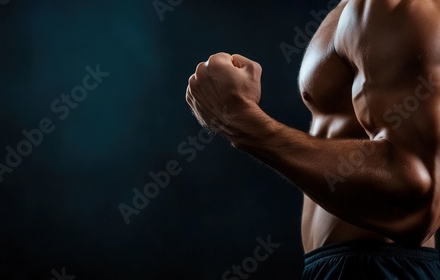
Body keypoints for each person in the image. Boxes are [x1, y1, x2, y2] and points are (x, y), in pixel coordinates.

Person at [185, 0, 440, 278]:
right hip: (332, 265)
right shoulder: (350, 9)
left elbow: (418, 203)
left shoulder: (396, 6)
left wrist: (244, 123)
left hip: (381, 267)